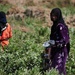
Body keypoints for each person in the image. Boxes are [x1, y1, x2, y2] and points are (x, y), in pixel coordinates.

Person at [49, 8, 70, 75]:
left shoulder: (61, 26)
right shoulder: (54, 27)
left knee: (58, 69)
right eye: (52, 15)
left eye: (55, 16)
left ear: (58, 16)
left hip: (61, 51)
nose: (53, 17)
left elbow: (65, 40)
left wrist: (56, 43)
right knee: (54, 69)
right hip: (55, 51)